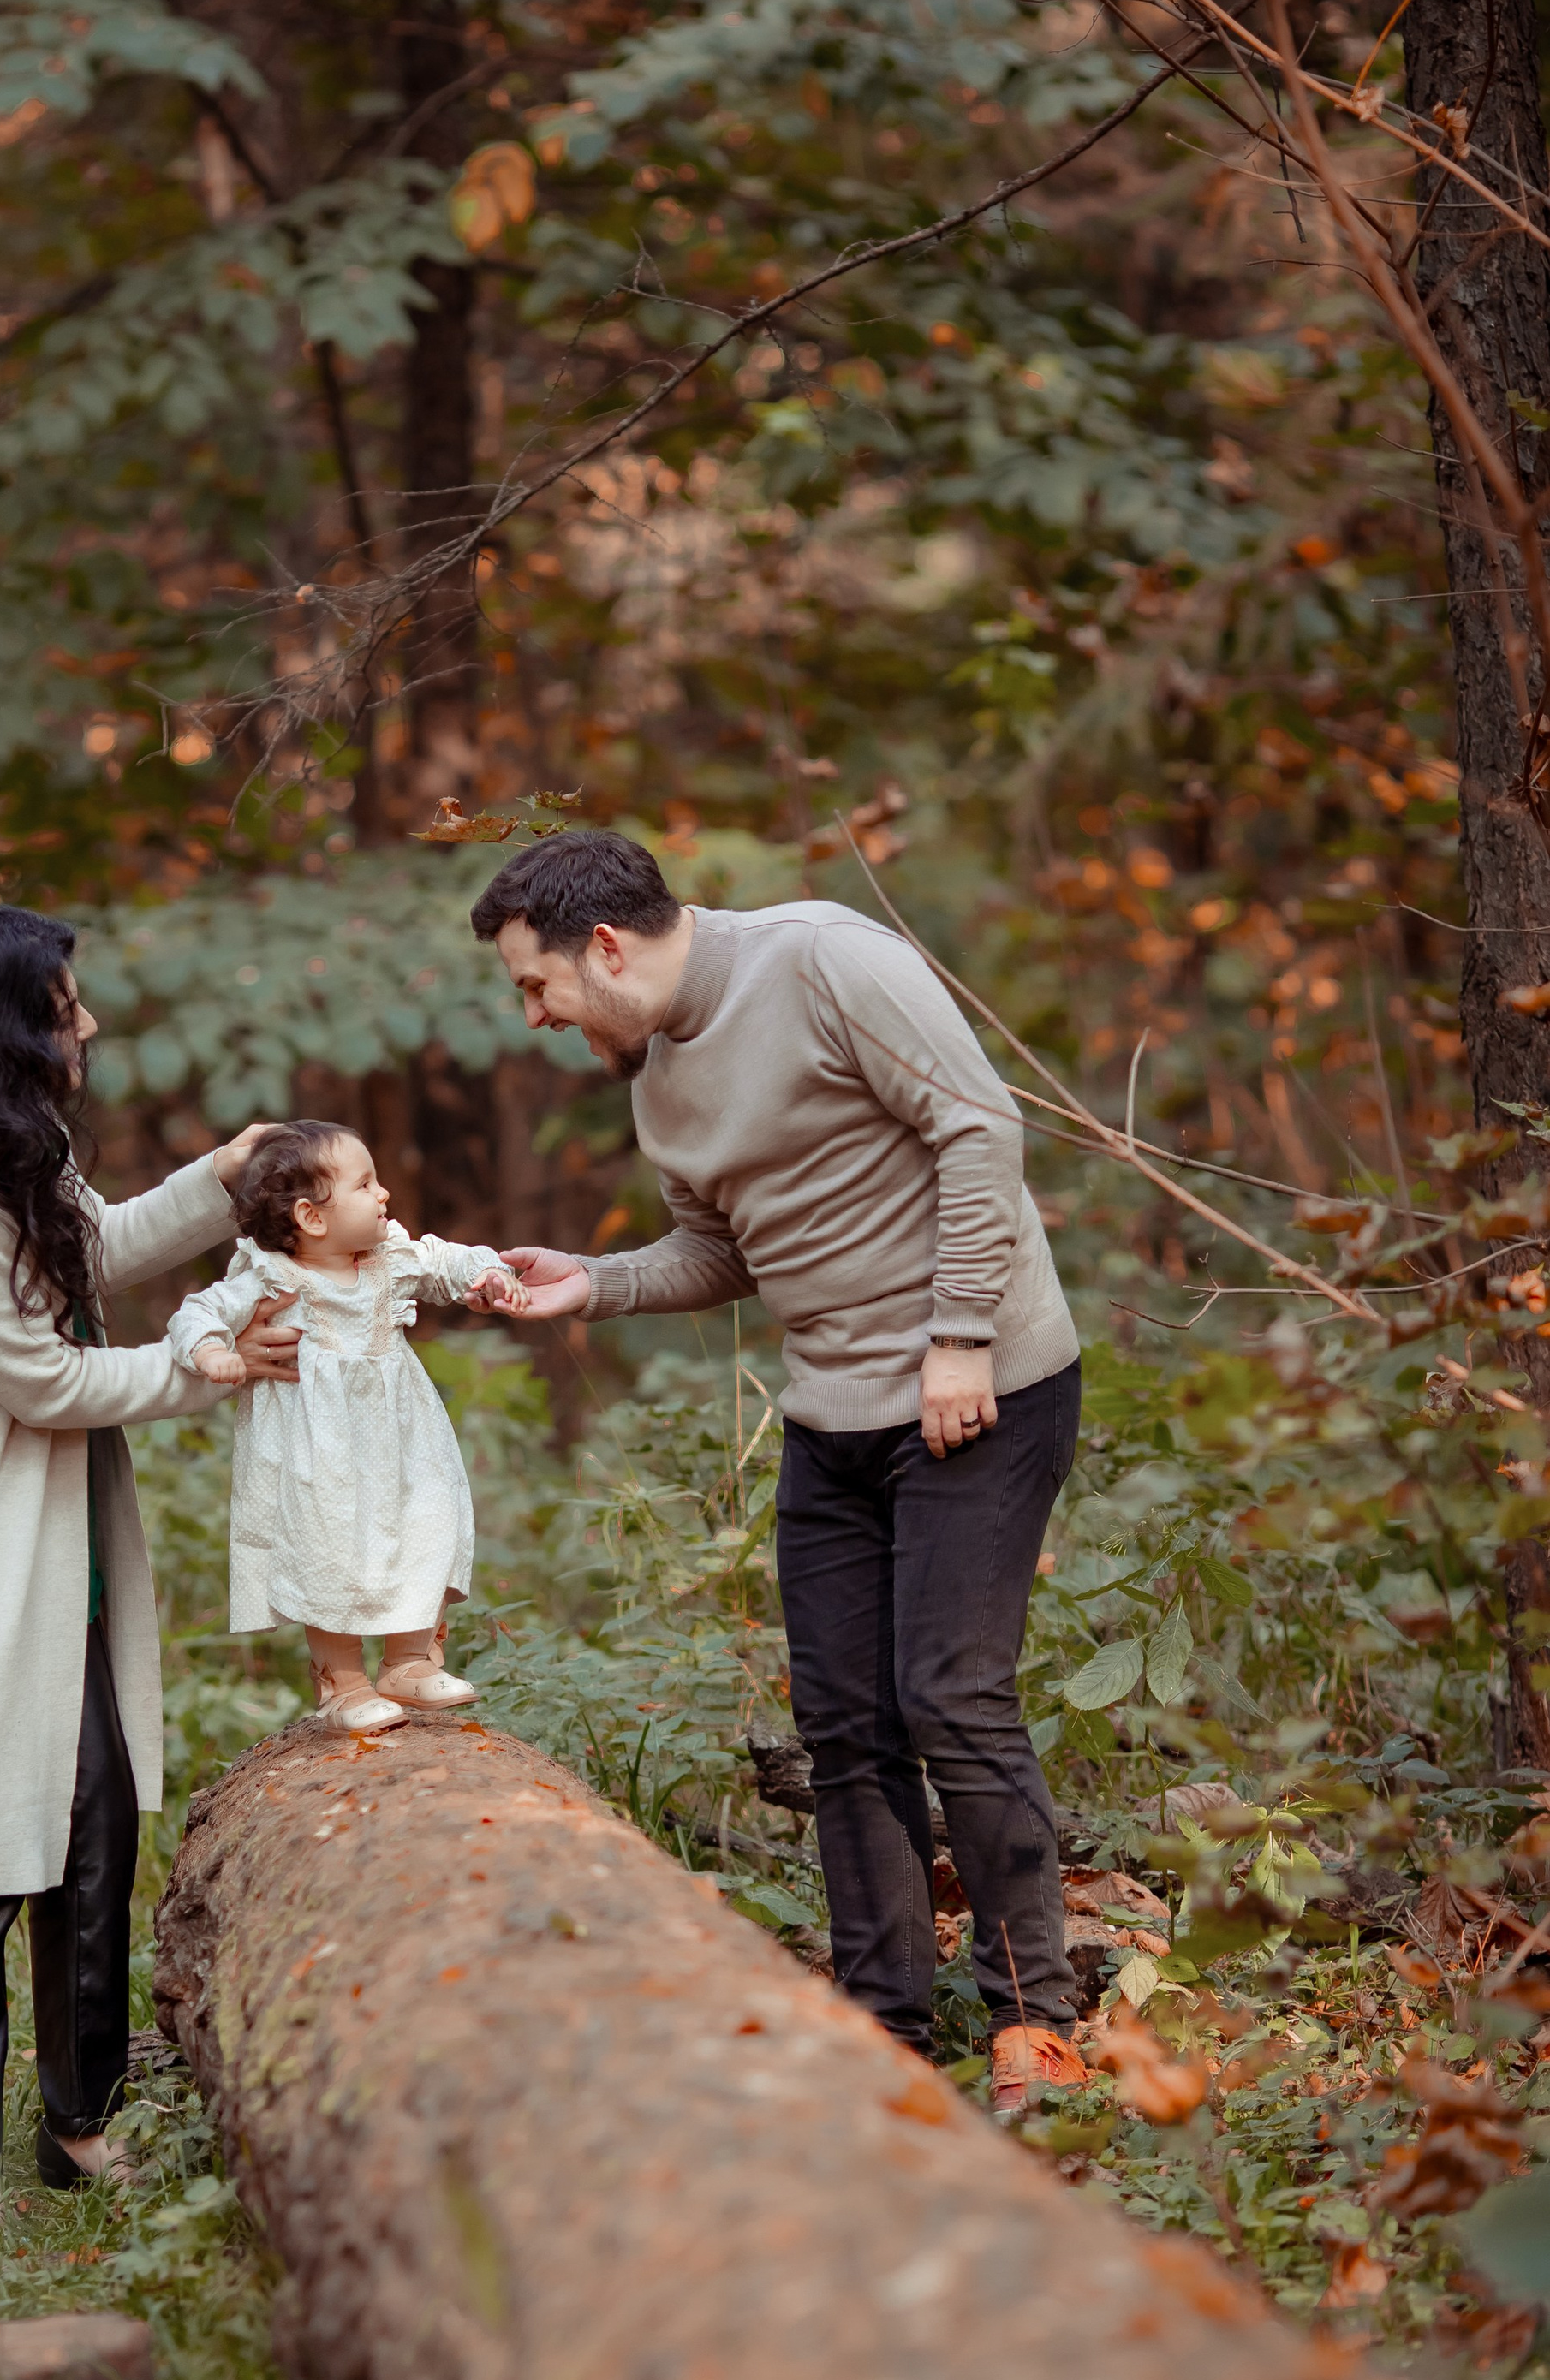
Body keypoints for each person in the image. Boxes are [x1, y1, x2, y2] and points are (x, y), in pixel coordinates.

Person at [470, 831, 1088, 2115]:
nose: (534, 1016)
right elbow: (724, 1251)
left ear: (605, 947)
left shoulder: (823, 961)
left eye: (538, 985)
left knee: (951, 1696)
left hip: (980, 1388)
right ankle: (883, 2028)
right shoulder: (655, 1074)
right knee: (846, 1728)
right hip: (832, 1417)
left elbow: (981, 1127)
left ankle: (1036, 2022)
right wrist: (598, 1281)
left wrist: (959, 1335)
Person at [0, 903, 300, 2211]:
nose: (86, 1021)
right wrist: (212, 1367)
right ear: (4, 1029)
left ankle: (79, 2124)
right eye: (62, 1004)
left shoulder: (12, 1148)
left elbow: (97, 1247)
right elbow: (41, 1380)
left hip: (55, 1551)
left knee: (95, 1832)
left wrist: (223, 1175)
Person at [166, 1121, 532, 1731]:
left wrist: (489, 1275)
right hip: (319, 1456)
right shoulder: (274, 1278)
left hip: (405, 1445)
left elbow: (449, 1260)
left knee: (427, 1525)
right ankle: (343, 1682)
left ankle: (409, 1661)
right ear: (311, 1217)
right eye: (365, 1184)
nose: (383, 1193)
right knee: (328, 1552)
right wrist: (209, 1350)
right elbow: (200, 1311)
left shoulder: (391, 1260)